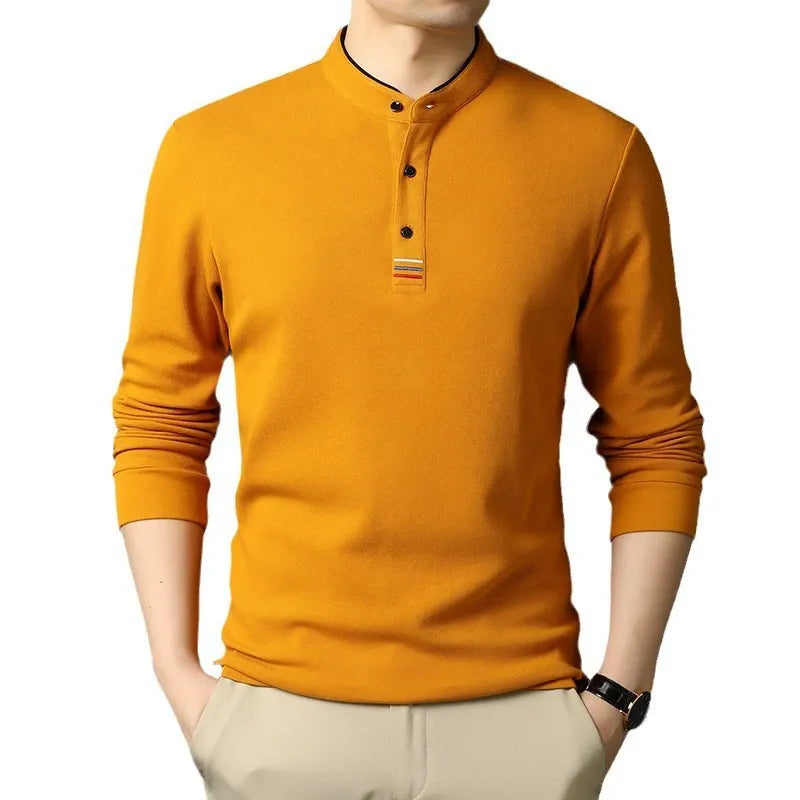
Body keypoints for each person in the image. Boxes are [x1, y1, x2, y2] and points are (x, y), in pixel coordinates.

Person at [110, 1, 707, 798]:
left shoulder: (601, 154)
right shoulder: (212, 149)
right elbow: (162, 419)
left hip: (523, 731)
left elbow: (656, 435)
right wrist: (179, 676)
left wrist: (618, 696)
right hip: (278, 721)